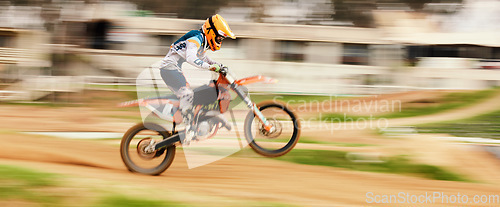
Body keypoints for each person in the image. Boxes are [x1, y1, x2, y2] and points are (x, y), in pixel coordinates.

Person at [159, 14, 236, 137]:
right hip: (169, 69)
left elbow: (205, 58)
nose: (219, 41)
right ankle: (189, 127)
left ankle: (196, 120)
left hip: (175, 69)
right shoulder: (196, 38)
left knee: (194, 95)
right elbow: (191, 58)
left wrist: (219, 66)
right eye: (219, 38)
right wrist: (210, 67)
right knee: (187, 94)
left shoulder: (202, 43)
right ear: (211, 32)